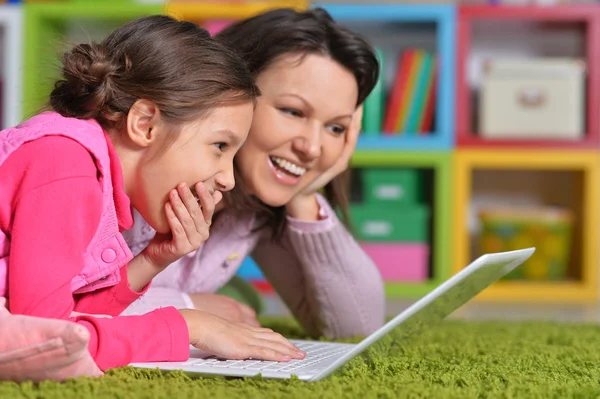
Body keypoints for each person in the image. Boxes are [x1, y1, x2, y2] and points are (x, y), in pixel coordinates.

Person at [0, 14, 305, 377]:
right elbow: (45, 341)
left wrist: (155, 258)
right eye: (220, 146)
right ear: (145, 123)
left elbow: (67, 319)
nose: (227, 179)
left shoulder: (93, 177)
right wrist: (189, 326)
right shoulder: (64, 162)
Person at [123, 8, 386, 339]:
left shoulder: (251, 210)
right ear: (230, 90)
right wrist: (187, 307)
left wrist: (305, 197)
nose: (313, 147)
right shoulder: (141, 172)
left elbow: (356, 329)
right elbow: (55, 304)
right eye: (292, 111)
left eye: (336, 127)